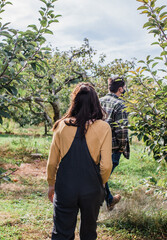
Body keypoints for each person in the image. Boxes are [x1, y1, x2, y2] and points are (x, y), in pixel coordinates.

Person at [47, 82, 112, 240]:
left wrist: (51, 184)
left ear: (74, 102)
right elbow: (106, 165)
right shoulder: (104, 127)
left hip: (65, 187)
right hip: (91, 188)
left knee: (61, 233)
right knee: (89, 233)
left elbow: (52, 162)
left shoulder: (61, 126)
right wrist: (102, 183)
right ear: (95, 102)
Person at [99, 76, 130, 211]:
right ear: (120, 89)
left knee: (100, 176)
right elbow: (122, 130)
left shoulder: (98, 101)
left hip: (97, 146)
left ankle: (110, 199)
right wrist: (122, 148)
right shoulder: (120, 105)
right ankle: (95, 208)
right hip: (112, 148)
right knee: (100, 179)